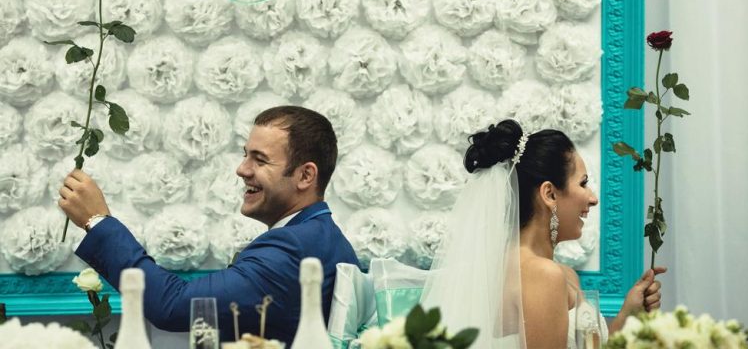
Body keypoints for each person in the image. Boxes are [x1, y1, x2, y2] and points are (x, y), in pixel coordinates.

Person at [58, 106, 359, 346]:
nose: (242, 169)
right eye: (245, 155)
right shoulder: (324, 236)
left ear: (305, 176)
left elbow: (172, 305)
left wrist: (97, 221)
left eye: (260, 160)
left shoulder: (291, 250)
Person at [420, 119, 665, 349]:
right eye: (582, 183)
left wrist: (627, 315)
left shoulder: (556, 273)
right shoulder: (544, 275)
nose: (593, 198)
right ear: (549, 194)